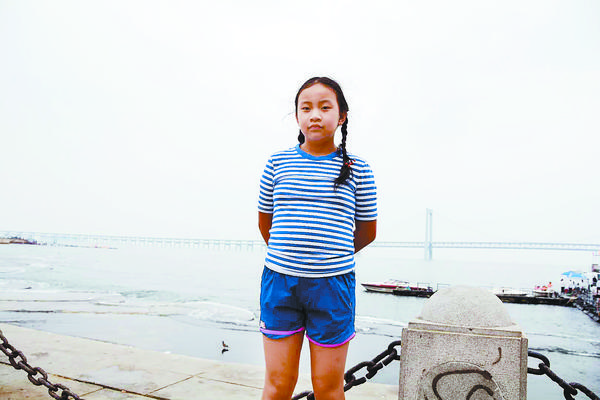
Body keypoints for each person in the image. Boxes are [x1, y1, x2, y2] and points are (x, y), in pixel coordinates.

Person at [257, 77, 377, 400]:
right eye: (306, 108)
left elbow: (367, 231)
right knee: (278, 384)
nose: (315, 115)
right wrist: (291, 254)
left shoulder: (358, 169)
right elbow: (266, 224)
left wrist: (330, 256)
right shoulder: (277, 164)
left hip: (333, 286)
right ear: (297, 116)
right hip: (280, 283)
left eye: (325, 107)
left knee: (328, 388)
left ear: (342, 116)